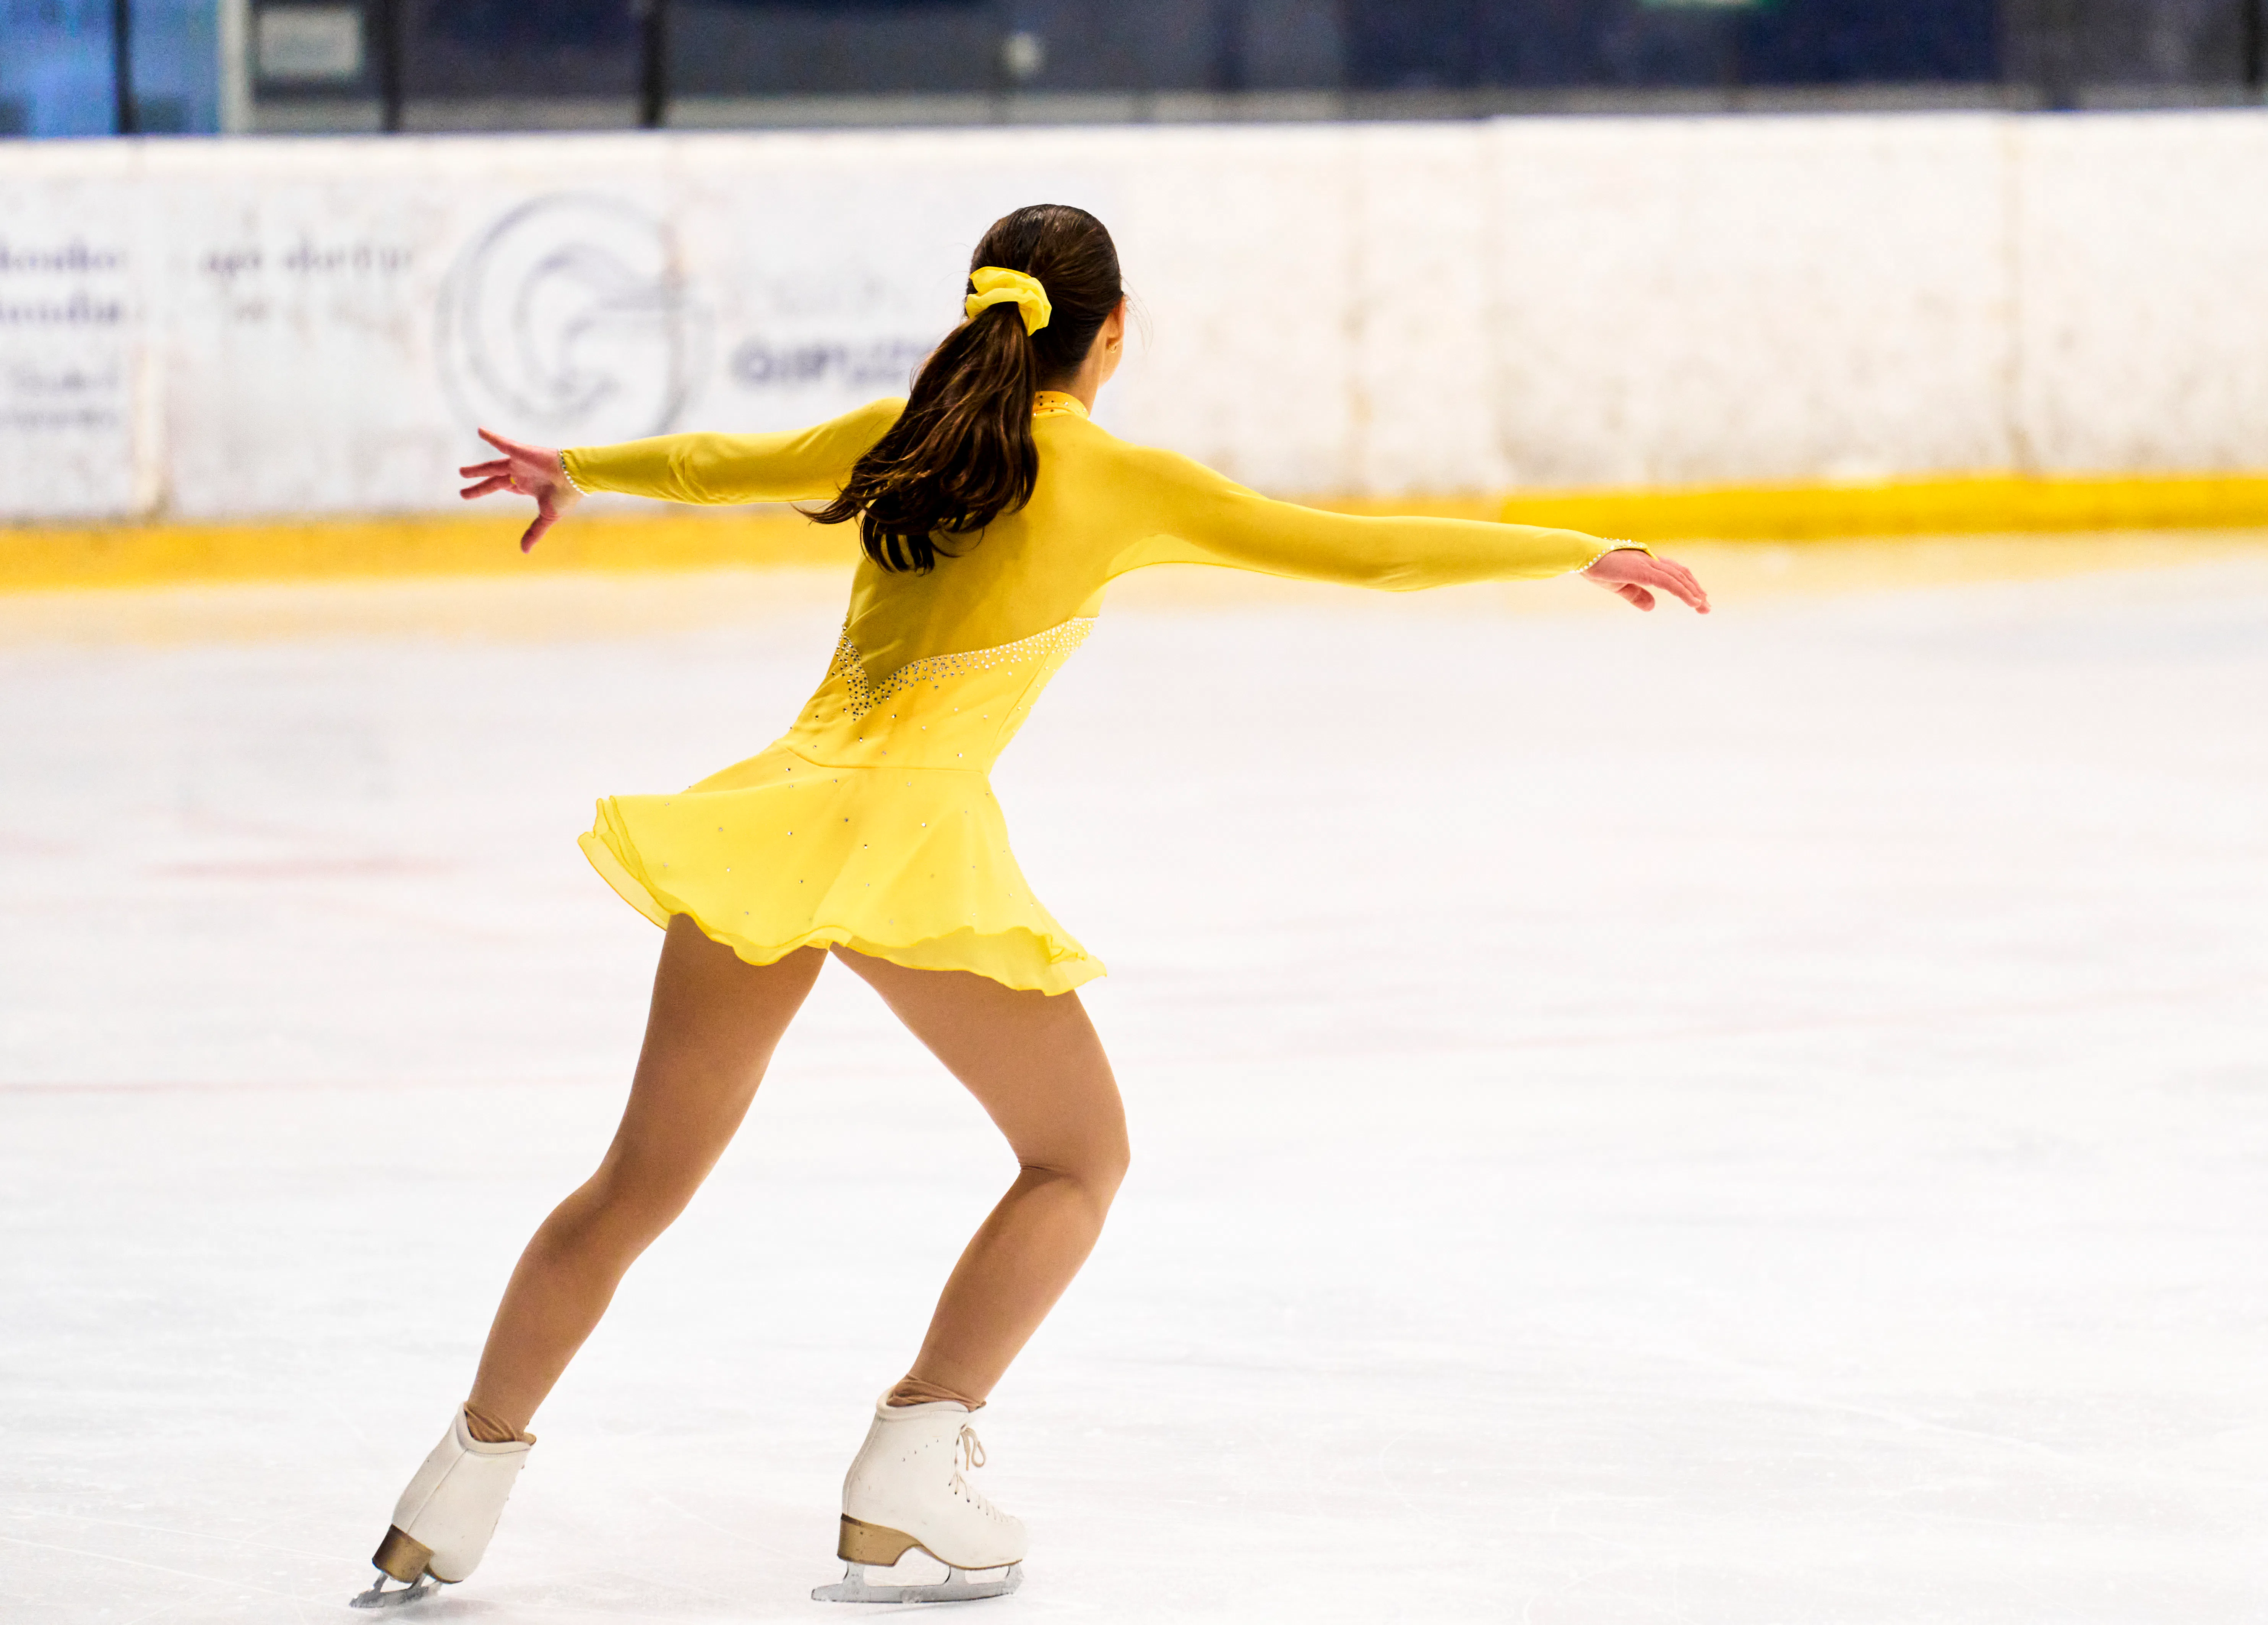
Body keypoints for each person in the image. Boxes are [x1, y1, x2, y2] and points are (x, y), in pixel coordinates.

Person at [352, 203, 1708, 1610]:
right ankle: (915, 1454)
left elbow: (719, 464)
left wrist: (572, 466)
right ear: (1114, 333)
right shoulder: (1125, 482)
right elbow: (1358, 548)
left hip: (779, 823)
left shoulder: (913, 430)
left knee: (632, 1191)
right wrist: (1575, 549)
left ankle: (449, 1495)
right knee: (1078, 1158)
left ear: (989, 311)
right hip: (920, 849)